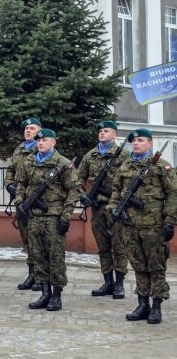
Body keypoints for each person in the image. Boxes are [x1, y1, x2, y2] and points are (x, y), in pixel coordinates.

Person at [106, 128, 175, 324]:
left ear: (150, 143)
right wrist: (113, 208)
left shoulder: (162, 166)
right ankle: (142, 303)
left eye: (141, 141)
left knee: (156, 266)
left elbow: (173, 195)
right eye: (134, 141)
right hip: (130, 225)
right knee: (138, 265)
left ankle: (156, 306)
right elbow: (117, 190)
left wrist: (170, 221)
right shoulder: (126, 165)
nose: (136, 144)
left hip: (154, 226)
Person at [13, 128, 80, 312]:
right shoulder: (29, 161)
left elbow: (73, 191)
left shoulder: (63, 164)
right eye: (39, 141)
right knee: (38, 256)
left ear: (53, 142)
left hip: (54, 217)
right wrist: (20, 202)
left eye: (45, 140)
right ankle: (44, 293)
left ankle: (56, 295)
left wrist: (66, 216)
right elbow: (21, 185)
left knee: (55, 257)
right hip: (34, 216)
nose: (40, 143)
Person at [77, 120, 130, 299]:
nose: (102, 133)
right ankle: (108, 282)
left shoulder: (123, 155)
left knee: (119, 247)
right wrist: (81, 195)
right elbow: (77, 178)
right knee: (103, 247)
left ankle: (120, 284)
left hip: (115, 209)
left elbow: (129, 182)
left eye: (106, 131)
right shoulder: (90, 155)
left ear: (114, 135)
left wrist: (122, 202)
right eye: (100, 131)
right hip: (97, 208)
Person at [5, 118, 43, 291]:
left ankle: (42, 276)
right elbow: (10, 170)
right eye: (26, 128)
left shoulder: (42, 148)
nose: (28, 131)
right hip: (21, 202)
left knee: (39, 241)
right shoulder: (19, 150)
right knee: (27, 240)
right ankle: (31, 274)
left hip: (37, 202)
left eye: (32, 128)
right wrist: (9, 184)